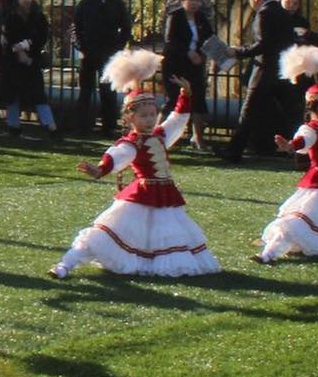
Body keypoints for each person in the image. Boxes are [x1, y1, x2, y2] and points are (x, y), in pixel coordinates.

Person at [50, 53, 219, 279]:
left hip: (165, 196)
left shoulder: (160, 135)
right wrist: (101, 169)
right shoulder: (133, 142)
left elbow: (177, 120)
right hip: (141, 195)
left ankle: (143, 262)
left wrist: (185, 95)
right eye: (143, 116)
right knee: (104, 234)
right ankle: (66, 264)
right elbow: (116, 155)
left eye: (152, 115)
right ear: (130, 118)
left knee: (162, 236)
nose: (149, 119)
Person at [256, 52, 318, 264]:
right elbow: (303, 140)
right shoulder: (312, 128)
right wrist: (290, 146)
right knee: (295, 223)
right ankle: (269, 253)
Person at [223, 0, 296, 163]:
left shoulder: (264, 13)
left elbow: (263, 45)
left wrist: (238, 51)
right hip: (283, 70)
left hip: (264, 71)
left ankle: (233, 151)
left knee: (248, 112)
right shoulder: (282, 12)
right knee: (278, 113)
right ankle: (289, 147)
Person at [71, 0, 132, 136]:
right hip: (88, 53)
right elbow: (76, 28)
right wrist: (81, 48)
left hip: (109, 54)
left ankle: (109, 126)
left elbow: (126, 28)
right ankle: (82, 126)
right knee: (85, 91)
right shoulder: (85, 4)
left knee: (108, 91)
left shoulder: (117, 4)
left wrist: (118, 48)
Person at [0, 0, 59, 138]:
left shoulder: (38, 16)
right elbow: (6, 37)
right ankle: (13, 126)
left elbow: (42, 36)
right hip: (13, 61)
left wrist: (26, 46)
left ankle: (50, 126)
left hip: (32, 60)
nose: (26, 0)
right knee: (12, 93)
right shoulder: (10, 15)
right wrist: (18, 50)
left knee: (38, 93)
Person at [161, 0, 214, 152]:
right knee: (173, 100)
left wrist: (217, 56)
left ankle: (198, 138)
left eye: (197, 0)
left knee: (198, 100)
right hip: (175, 65)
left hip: (195, 66)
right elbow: (170, 41)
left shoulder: (202, 18)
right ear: (183, 1)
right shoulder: (175, 16)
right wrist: (188, 52)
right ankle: (157, 136)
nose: (194, 3)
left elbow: (210, 38)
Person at [279, 0, 313, 133]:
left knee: (294, 106)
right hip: (277, 66)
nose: (291, 6)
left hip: (296, 67)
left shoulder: (301, 21)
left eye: (295, 3)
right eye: (288, 2)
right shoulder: (274, 17)